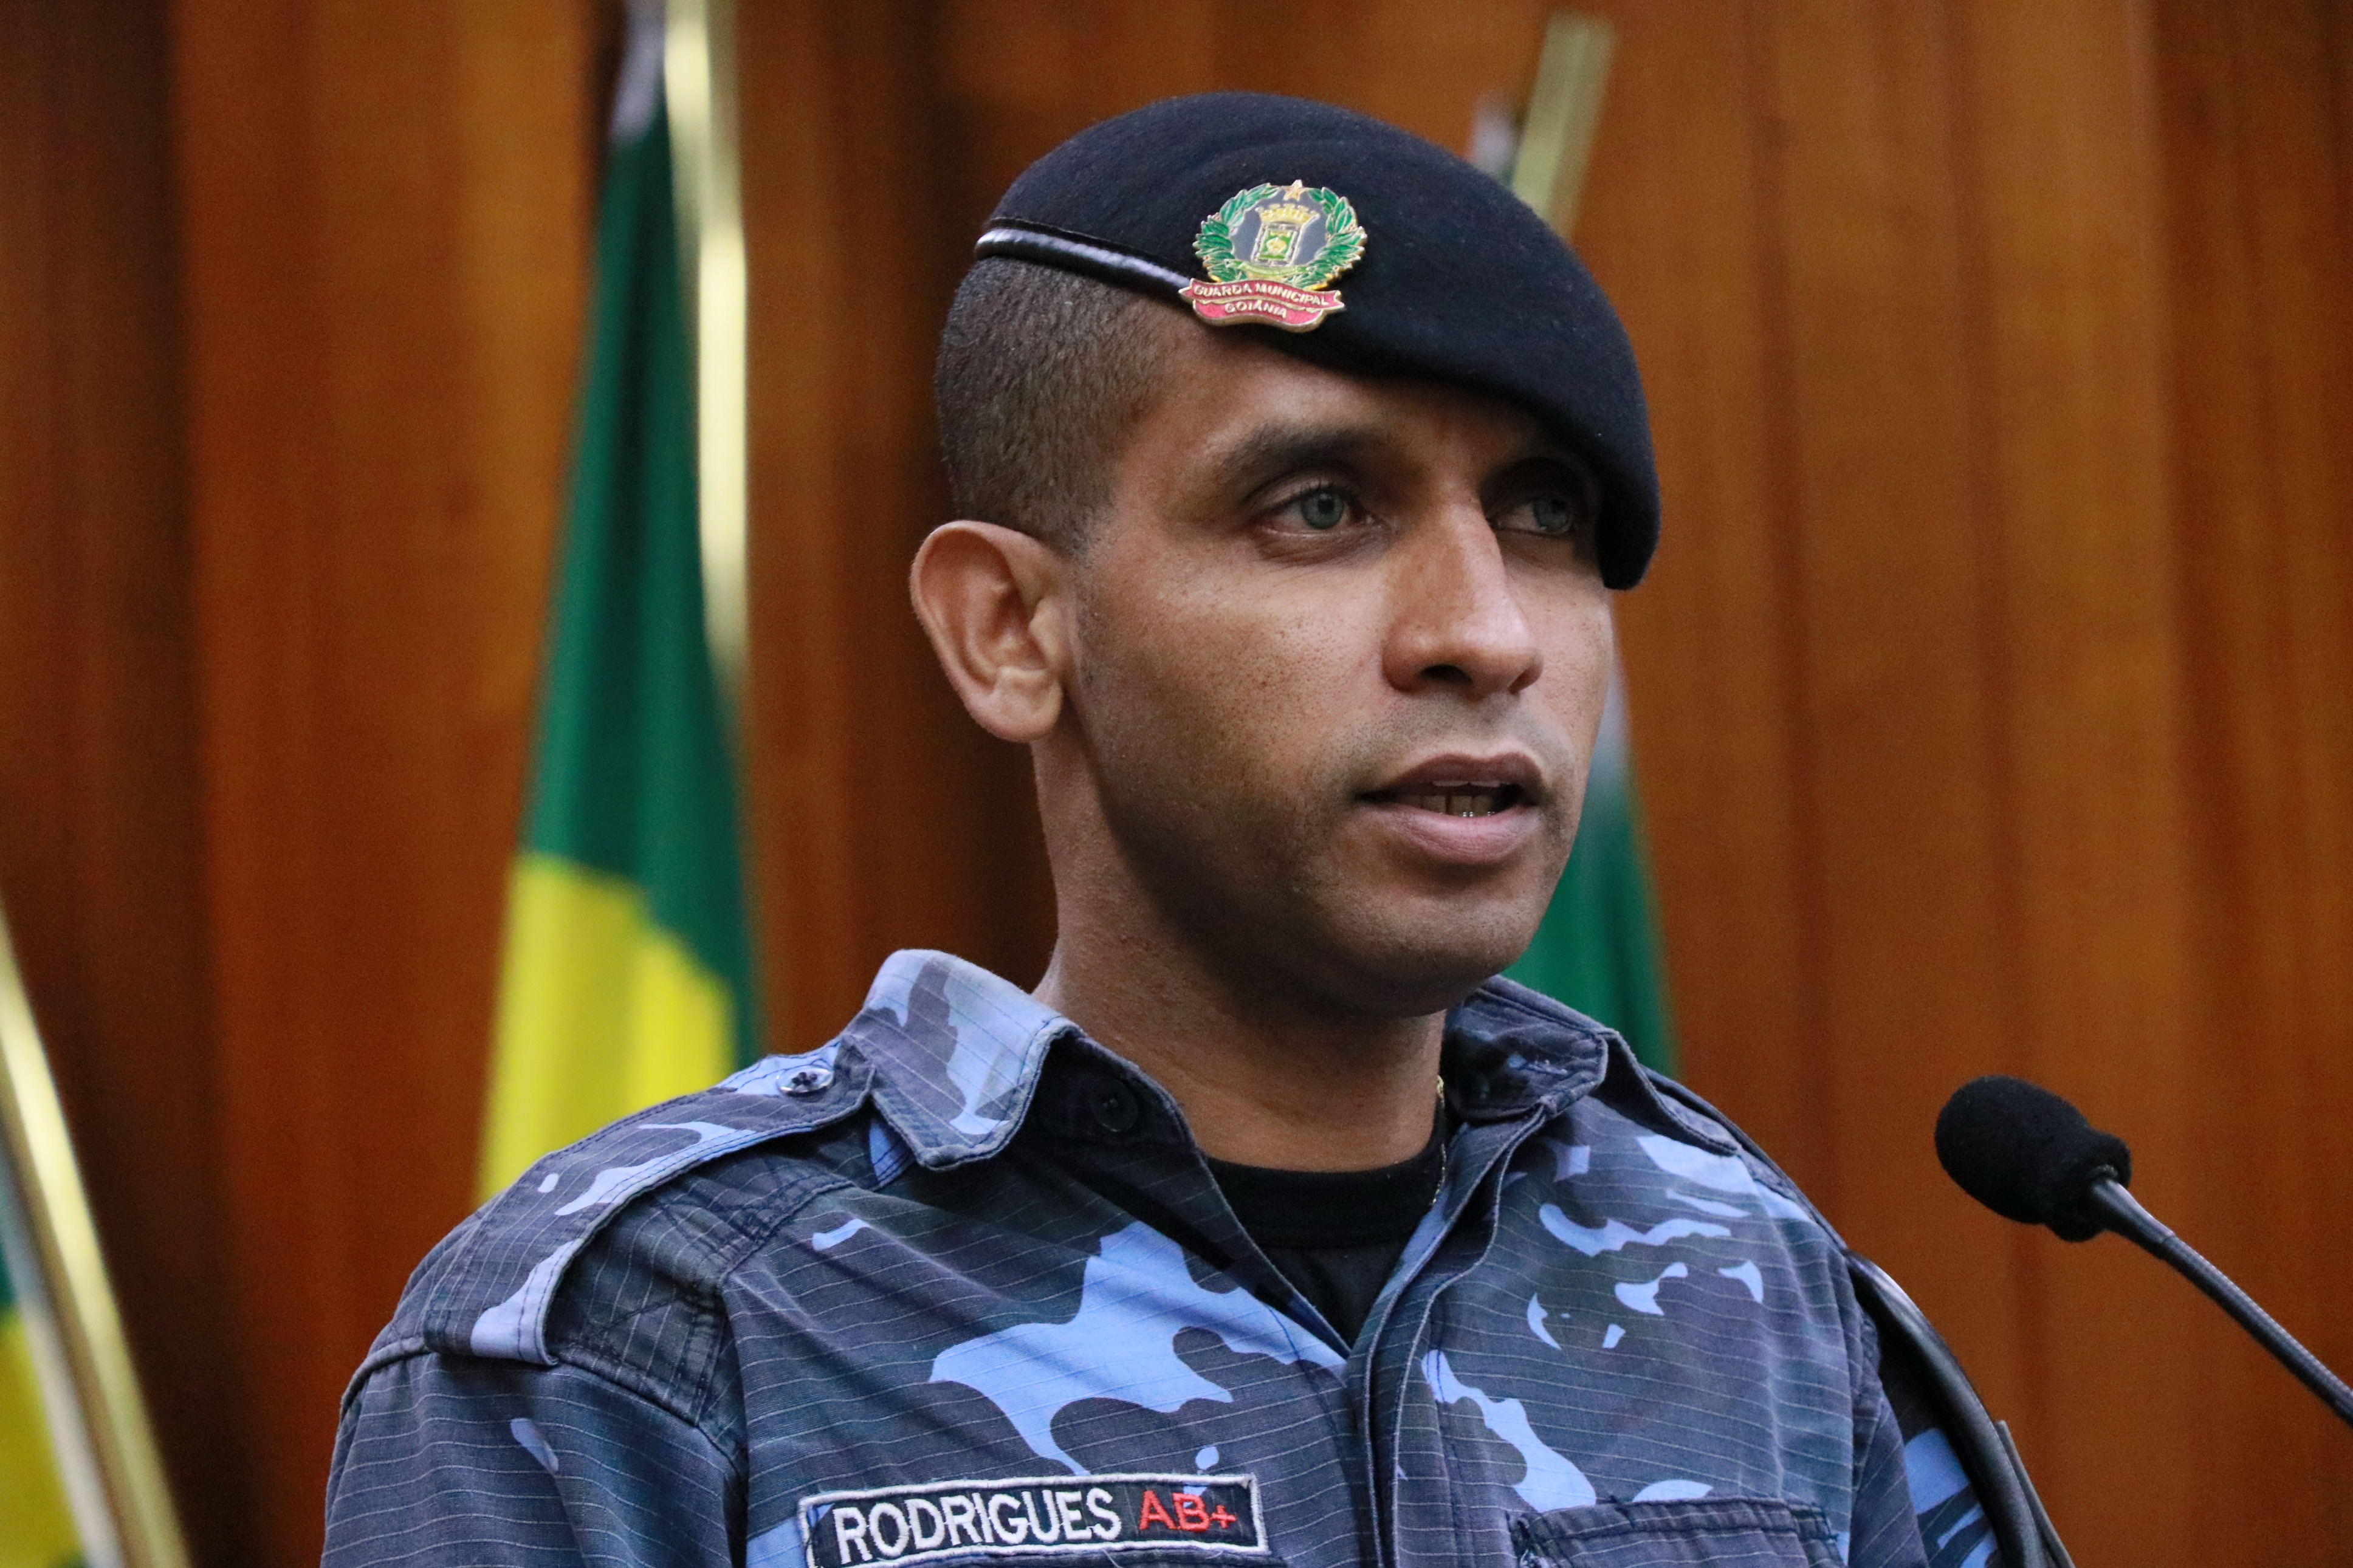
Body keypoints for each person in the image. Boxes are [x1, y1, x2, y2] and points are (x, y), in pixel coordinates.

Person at [324, 94, 2034, 1568]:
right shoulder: (647, 1340)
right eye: (1320, 507)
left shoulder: (1761, 1298)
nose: (1487, 631)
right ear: (1012, 630)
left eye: (1545, 515)